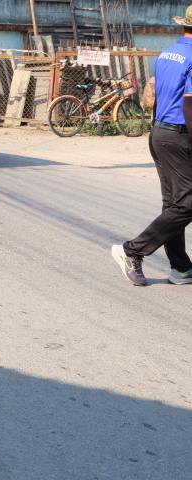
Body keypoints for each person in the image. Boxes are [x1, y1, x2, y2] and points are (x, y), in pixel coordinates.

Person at [111, 5, 192, 286]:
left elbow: (158, 96)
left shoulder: (168, 53)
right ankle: (132, 250)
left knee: (174, 204)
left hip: (160, 133)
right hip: (179, 135)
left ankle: (180, 267)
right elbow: (189, 105)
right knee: (187, 203)